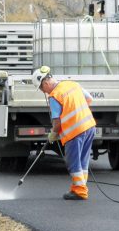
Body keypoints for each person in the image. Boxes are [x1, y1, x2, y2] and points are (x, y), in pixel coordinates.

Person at [32, 66, 96, 200]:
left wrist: (53, 134)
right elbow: (89, 99)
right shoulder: (72, 84)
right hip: (89, 126)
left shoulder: (54, 96)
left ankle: (80, 191)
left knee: (73, 162)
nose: (43, 91)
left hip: (74, 132)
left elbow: (57, 122)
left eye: (41, 88)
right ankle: (79, 187)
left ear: (45, 82)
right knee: (83, 161)